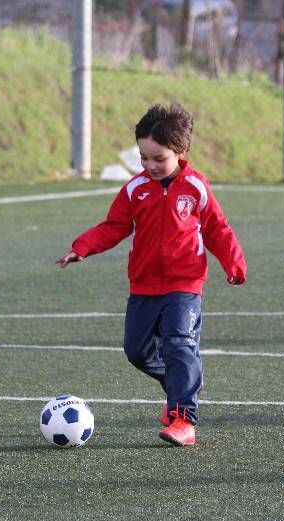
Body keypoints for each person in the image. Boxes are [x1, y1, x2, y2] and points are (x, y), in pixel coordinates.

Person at [57, 103, 246, 446]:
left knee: (179, 343)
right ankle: (184, 381)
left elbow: (218, 228)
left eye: (159, 159)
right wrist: (82, 247)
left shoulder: (196, 187)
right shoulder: (135, 190)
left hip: (184, 283)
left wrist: (233, 263)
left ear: (181, 151)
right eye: (144, 158)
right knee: (136, 351)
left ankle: (184, 418)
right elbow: (113, 226)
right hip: (144, 285)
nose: (150, 166)